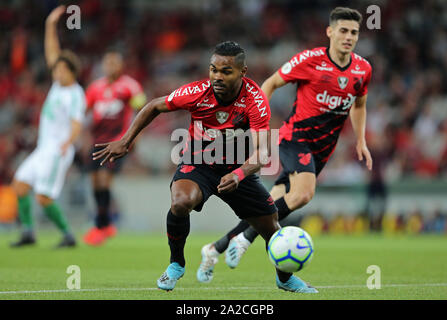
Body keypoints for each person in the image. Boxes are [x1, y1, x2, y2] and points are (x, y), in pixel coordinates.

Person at [93, 41, 318, 293]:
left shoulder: (255, 100)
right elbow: (155, 105)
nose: (217, 77)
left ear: (242, 72)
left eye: (226, 71)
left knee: (271, 228)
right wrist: (125, 141)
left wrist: (239, 173)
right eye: (213, 70)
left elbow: (262, 153)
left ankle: (284, 279)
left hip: (237, 169)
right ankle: (176, 264)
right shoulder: (198, 91)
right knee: (180, 202)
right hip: (198, 163)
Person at [197, 7, 373, 282]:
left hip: (322, 149)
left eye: (354, 32)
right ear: (330, 32)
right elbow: (271, 83)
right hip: (295, 137)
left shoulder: (363, 69)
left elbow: (359, 104)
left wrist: (361, 139)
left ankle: (215, 248)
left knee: (269, 207)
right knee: (303, 194)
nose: (348, 37)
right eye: (343, 30)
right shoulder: (310, 60)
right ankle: (245, 238)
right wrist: (255, 123)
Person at [10, 6, 85, 248]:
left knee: (43, 197)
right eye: (57, 69)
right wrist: (49, 25)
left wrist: (66, 143)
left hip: (57, 150)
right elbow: (53, 52)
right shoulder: (58, 86)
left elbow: (77, 123)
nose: (57, 71)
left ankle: (68, 235)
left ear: (72, 71)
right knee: (20, 185)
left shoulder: (75, 94)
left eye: (62, 69)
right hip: (44, 149)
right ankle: (29, 233)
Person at [83, 50, 146, 246]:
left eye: (114, 63)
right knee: (95, 183)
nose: (110, 66)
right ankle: (106, 224)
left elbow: (142, 112)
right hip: (96, 141)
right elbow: (84, 112)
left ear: (121, 65)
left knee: (104, 180)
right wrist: (83, 137)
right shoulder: (95, 88)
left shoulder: (130, 86)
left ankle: (100, 227)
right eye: (107, 63)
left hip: (116, 141)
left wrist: (135, 138)